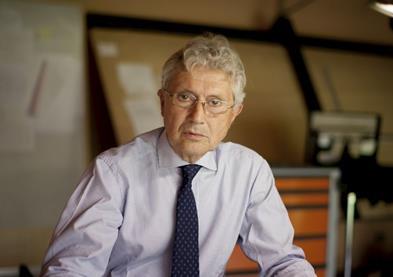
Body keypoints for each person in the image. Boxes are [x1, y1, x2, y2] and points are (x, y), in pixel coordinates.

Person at [40, 33, 316, 276]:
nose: (198, 116)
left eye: (215, 103)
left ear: (234, 113)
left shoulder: (249, 171)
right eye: (185, 97)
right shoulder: (114, 171)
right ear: (162, 102)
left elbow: (282, 260)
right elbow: (71, 269)